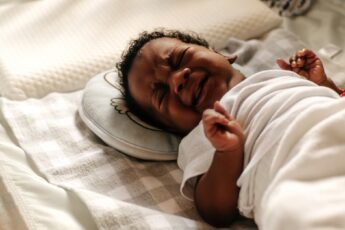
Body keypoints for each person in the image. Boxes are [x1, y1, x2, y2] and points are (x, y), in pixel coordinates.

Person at [116, 29, 345, 228]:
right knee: (287, 213)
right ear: (172, 128)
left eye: (180, 59)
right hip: (297, 177)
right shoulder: (202, 136)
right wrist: (227, 152)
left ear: (219, 53)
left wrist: (322, 84)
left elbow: (330, 104)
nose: (177, 80)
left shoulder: (278, 76)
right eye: (161, 95)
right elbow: (216, 211)